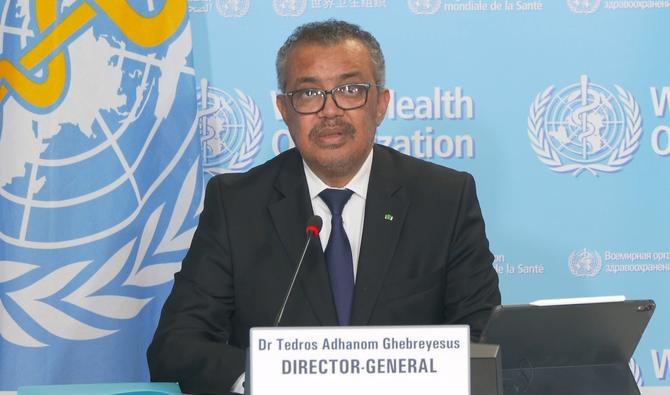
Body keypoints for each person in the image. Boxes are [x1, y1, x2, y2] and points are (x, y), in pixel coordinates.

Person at [147, 19, 500, 394]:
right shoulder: (236, 204)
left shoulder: (443, 198)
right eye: (309, 94)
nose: (330, 111)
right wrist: (266, 379)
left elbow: (481, 338)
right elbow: (176, 344)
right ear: (284, 109)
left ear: (381, 104)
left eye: (350, 90)